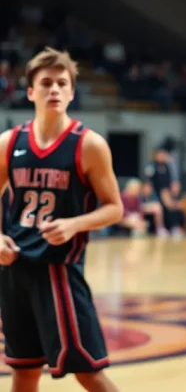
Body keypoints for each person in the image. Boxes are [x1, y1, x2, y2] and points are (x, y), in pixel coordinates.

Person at [0, 47, 123, 391]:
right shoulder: (9, 143)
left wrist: (74, 224)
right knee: (23, 371)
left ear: (71, 92)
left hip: (59, 272)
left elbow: (114, 208)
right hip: (14, 271)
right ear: (30, 92)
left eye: (61, 83)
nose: (53, 89)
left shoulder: (89, 145)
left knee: (88, 371)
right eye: (45, 83)